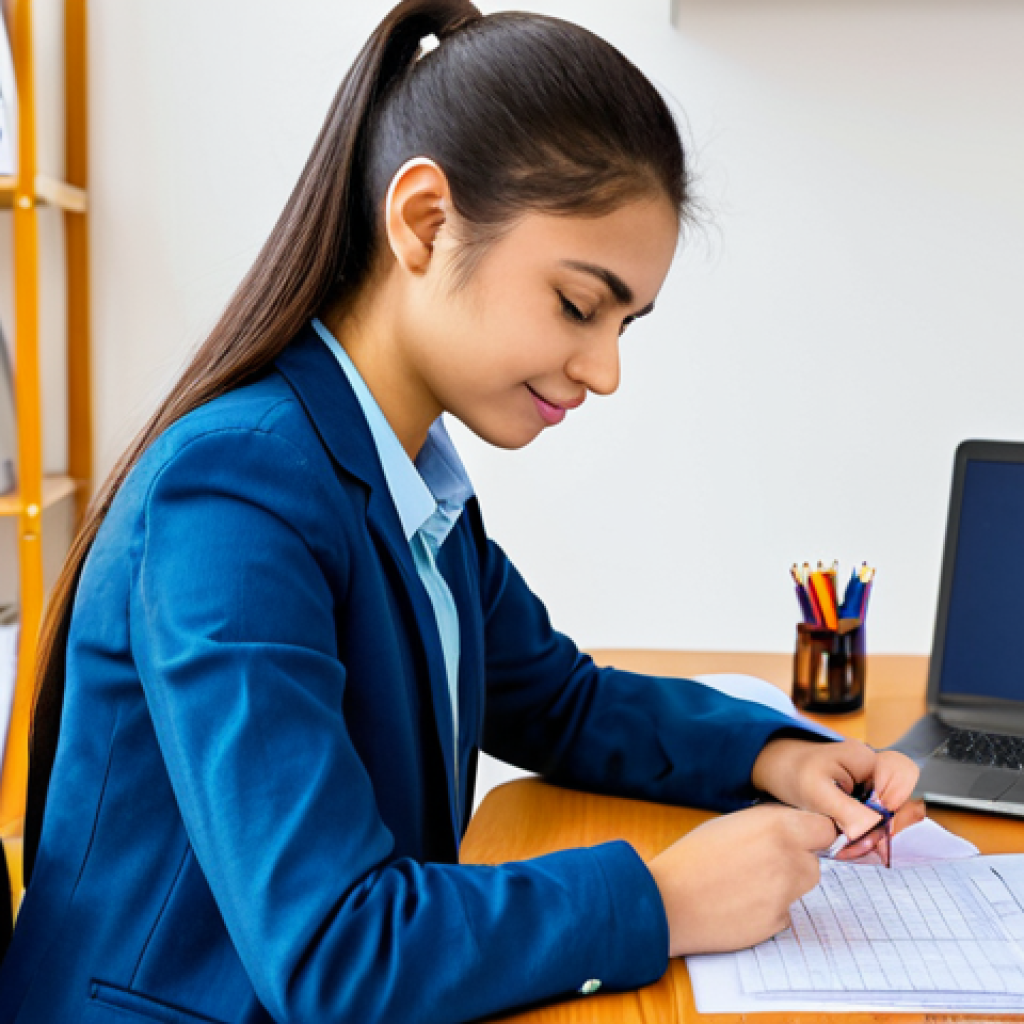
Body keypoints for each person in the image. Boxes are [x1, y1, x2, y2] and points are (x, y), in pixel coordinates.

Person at [0, 2, 923, 1022]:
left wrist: (773, 754)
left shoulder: (405, 480)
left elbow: (561, 701)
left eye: (626, 323)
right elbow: (336, 950)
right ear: (426, 222)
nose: (606, 370)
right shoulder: (235, 494)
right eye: (580, 304)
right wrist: (660, 900)